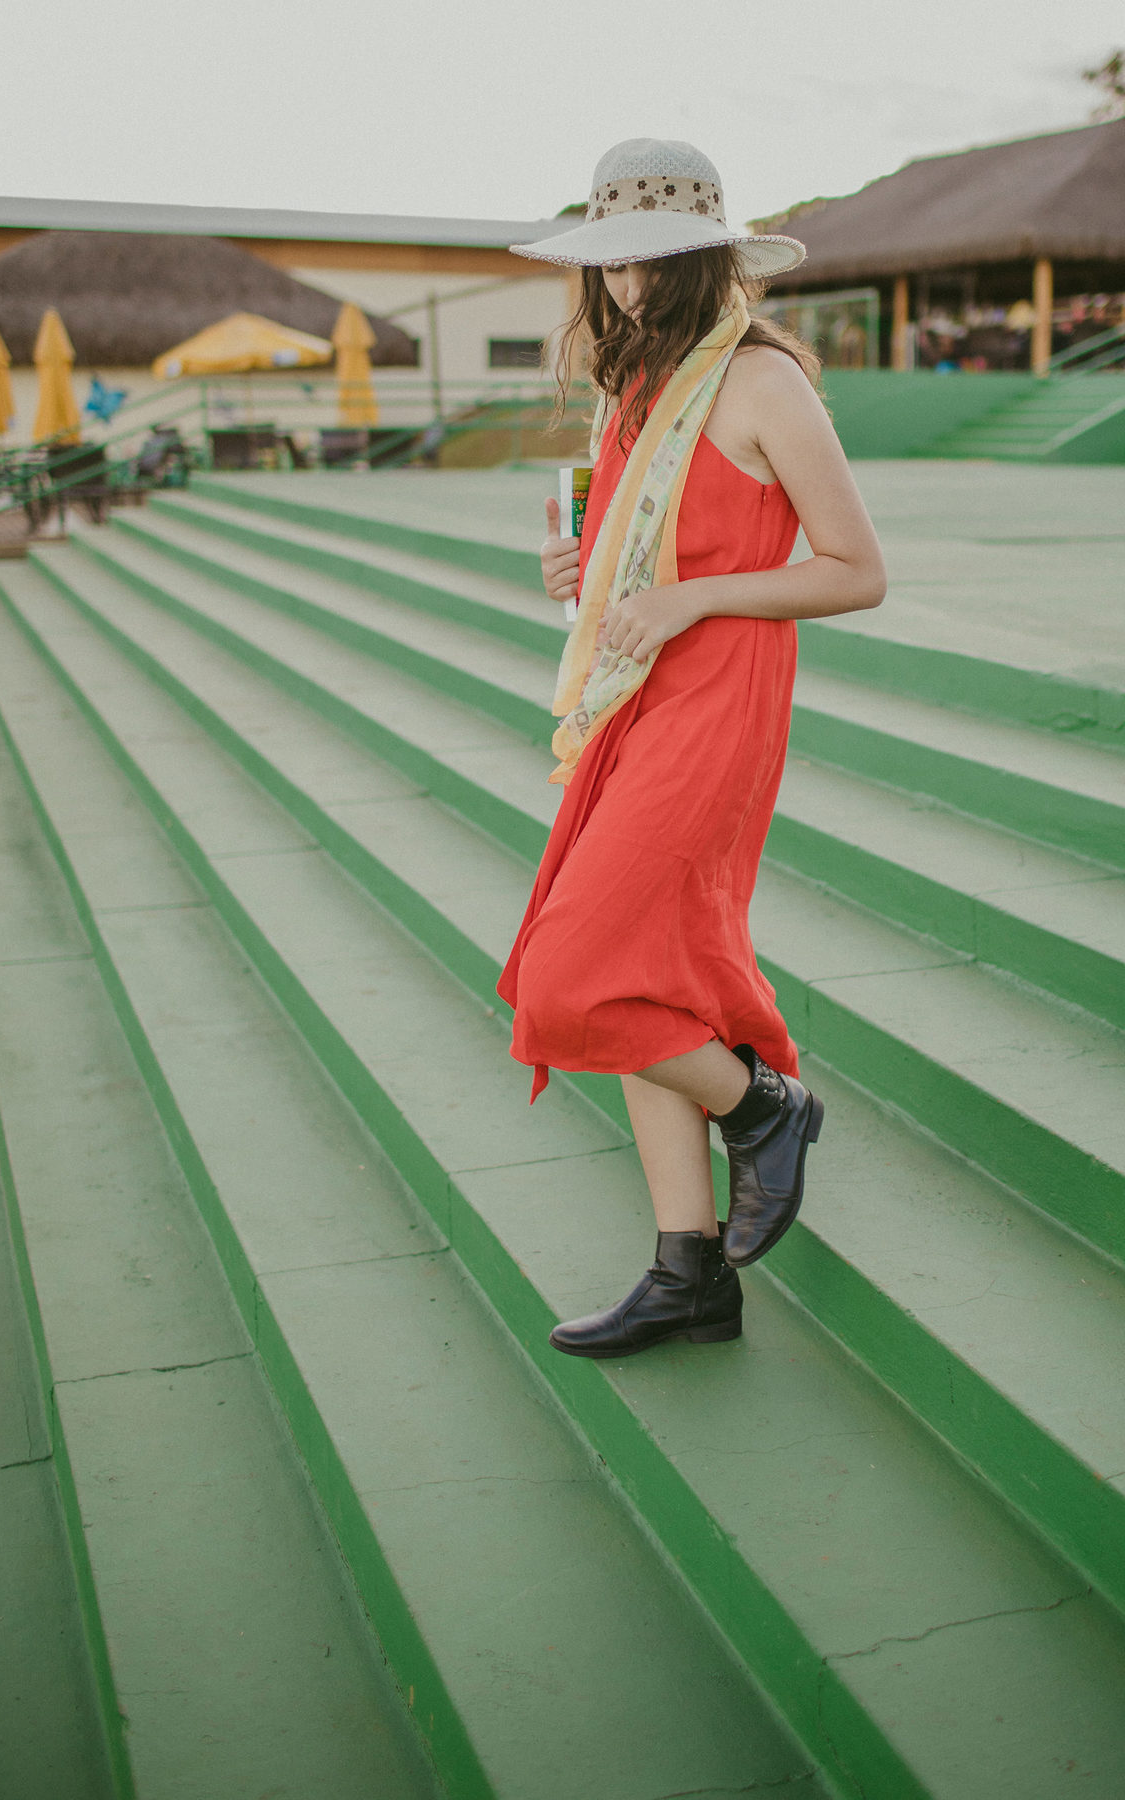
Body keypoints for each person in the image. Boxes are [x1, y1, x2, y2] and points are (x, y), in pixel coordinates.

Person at [496, 139, 886, 1360]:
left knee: (571, 980)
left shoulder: (762, 382)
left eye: (649, 260)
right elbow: (642, 561)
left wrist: (696, 601)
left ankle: (766, 1107)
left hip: (714, 706)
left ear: (707, 253)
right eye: (607, 263)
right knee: (639, 980)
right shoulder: (643, 388)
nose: (623, 284)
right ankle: (689, 1271)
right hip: (638, 700)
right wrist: (583, 565)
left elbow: (858, 573)